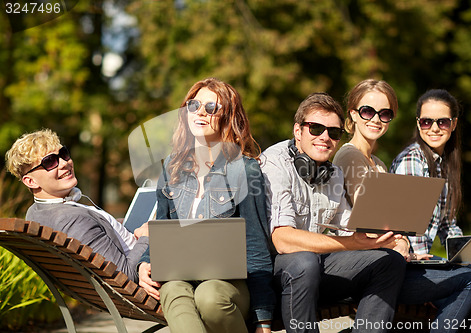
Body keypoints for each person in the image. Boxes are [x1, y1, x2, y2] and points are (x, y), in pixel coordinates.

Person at [334, 80, 471, 331]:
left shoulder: (377, 163)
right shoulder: (350, 156)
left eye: (385, 113)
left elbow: (392, 225)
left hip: (392, 264)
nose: (376, 119)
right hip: (371, 271)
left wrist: (409, 249)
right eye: (367, 111)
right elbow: (373, 224)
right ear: (352, 114)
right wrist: (406, 247)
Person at [260, 92, 407, 333]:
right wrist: (350, 243)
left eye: (333, 132)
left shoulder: (334, 173)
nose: (325, 137)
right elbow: (282, 240)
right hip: (277, 269)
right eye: (316, 129)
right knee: (305, 262)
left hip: (317, 263)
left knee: (389, 262)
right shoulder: (274, 163)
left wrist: (385, 234)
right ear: (298, 131)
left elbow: (349, 223)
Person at [137, 78, 275, 333]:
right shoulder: (171, 167)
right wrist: (144, 263)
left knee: (209, 296)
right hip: (179, 276)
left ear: (229, 117)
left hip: (230, 284)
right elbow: (162, 229)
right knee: (175, 290)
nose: (200, 112)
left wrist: (263, 320)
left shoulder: (245, 170)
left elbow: (256, 245)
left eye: (211, 107)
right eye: (193, 105)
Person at [390, 89, 471, 328]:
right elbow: (406, 226)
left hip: (423, 264)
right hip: (406, 268)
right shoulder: (413, 160)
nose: (434, 128)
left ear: (454, 124)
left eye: (442, 122)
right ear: (418, 124)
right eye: (427, 121)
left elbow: (448, 226)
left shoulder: (443, 165)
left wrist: (469, 257)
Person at [5, 129, 149, 283]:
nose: (64, 163)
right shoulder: (72, 221)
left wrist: (114, 224)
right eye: (50, 162)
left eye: (64, 154)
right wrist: (147, 235)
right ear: (31, 181)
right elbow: (126, 276)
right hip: (149, 273)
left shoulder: (35, 213)